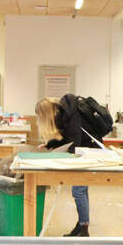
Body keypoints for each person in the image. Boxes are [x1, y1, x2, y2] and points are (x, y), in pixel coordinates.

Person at [34, 95, 100, 237]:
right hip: (84, 150)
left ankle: (83, 228)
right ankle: (82, 224)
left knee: (79, 191)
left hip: (88, 151)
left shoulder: (71, 114)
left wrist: (61, 161)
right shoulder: (65, 113)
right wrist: (50, 144)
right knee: (81, 191)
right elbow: (68, 139)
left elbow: (74, 142)